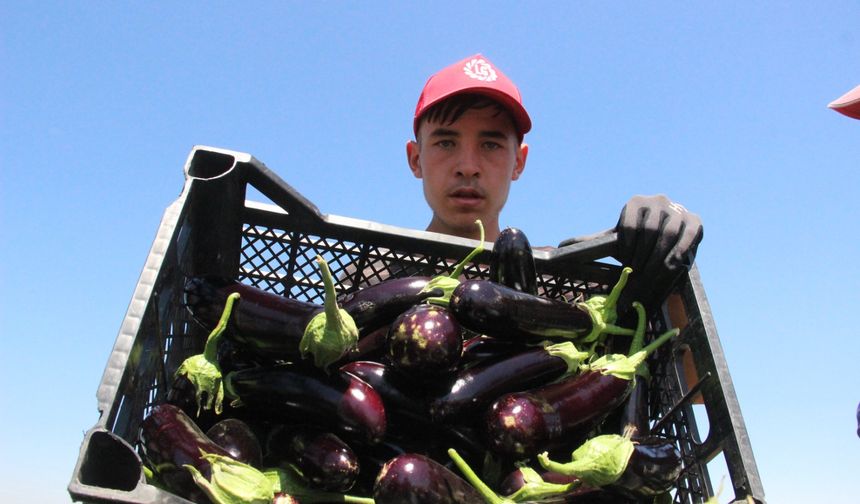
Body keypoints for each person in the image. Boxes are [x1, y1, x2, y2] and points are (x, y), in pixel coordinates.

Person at [407, 54, 704, 311]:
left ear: (519, 162)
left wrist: (657, 254)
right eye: (446, 143)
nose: (468, 167)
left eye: (490, 145)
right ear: (416, 159)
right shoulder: (370, 279)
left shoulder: (563, 288)